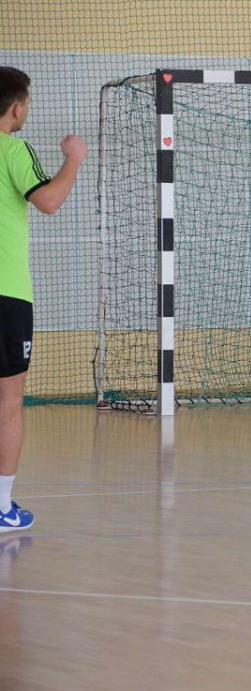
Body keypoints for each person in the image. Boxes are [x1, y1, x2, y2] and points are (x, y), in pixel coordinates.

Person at [0, 67, 87, 532]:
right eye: (28, 103)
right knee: (7, 401)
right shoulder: (14, 150)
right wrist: (74, 158)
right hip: (6, 295)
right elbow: (49, 201)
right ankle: (1, 508)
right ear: (17, 107)